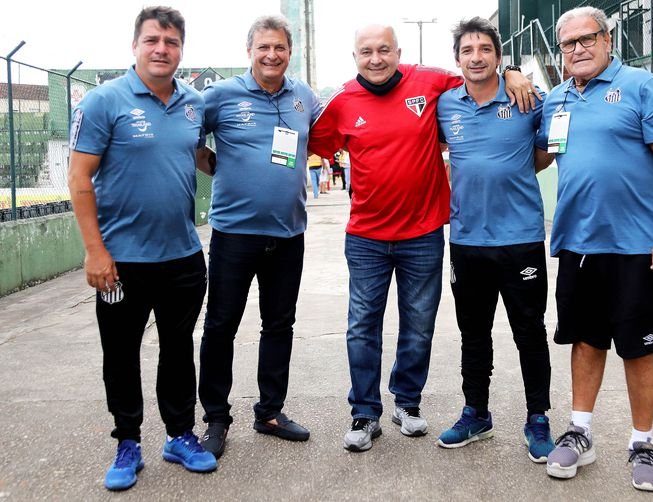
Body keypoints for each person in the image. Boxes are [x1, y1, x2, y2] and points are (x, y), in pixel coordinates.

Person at [308, 23, 537, 452]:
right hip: (366, 237)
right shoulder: (342, 101)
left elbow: (478, 74)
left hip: (423, 233)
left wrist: (512, 72)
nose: (376, 59)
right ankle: (365, 412)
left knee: (418, 325)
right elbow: (313, 142)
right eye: (366, 52)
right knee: (362, 327)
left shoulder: (430, 82)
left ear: (399, 53)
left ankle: (407, 403)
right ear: (355, 57)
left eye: (384, 50)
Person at [534, 6, 653, 492]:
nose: (578, 49)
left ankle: (642, 443)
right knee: (585, 340)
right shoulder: (556, 99)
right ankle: (580, 432)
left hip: (638, 248)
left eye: (587, 39)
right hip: (578, 245)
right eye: (568, 43)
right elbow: (537, 156)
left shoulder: (641, 86)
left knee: (638, 348)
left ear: (607, 39)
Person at [67, 6, 217, 491]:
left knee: (178, 350)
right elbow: (79, 178)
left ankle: (179, 435)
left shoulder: (193, 104)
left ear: (181, 50)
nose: (161, 49)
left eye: (171, 42)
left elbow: (201, 157)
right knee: (120, 354)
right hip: (120, 261)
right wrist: (95, 251)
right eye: (152, 40)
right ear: (135, 45)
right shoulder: (103, 102)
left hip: (183, 257)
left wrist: (260, 162)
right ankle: (127, 442)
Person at [196, 15, 321, 460]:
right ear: (249, 51)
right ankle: (216, 418)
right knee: (221, 326)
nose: (272, 55)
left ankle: (269, 412)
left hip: (288, 234)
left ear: (290, 52)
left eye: (279, 47)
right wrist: (212, 163)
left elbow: (332, 127)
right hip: (234, 234)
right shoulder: (220, 95)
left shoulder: (304, 97)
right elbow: (184, 132)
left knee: (279, 325)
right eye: (263, 47)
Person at [434, 16, 555, 463]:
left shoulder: (528, 98)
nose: (476, 57)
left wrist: (514, 76)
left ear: (499, 56)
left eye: (485, 49)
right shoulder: (446, 105)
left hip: (521, 239)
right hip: (467, 240)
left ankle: (537, 417)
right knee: (473, 332)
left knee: (529, 331)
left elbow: (545, 153)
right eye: (467, 50)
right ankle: (476, 413)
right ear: (457, 59)